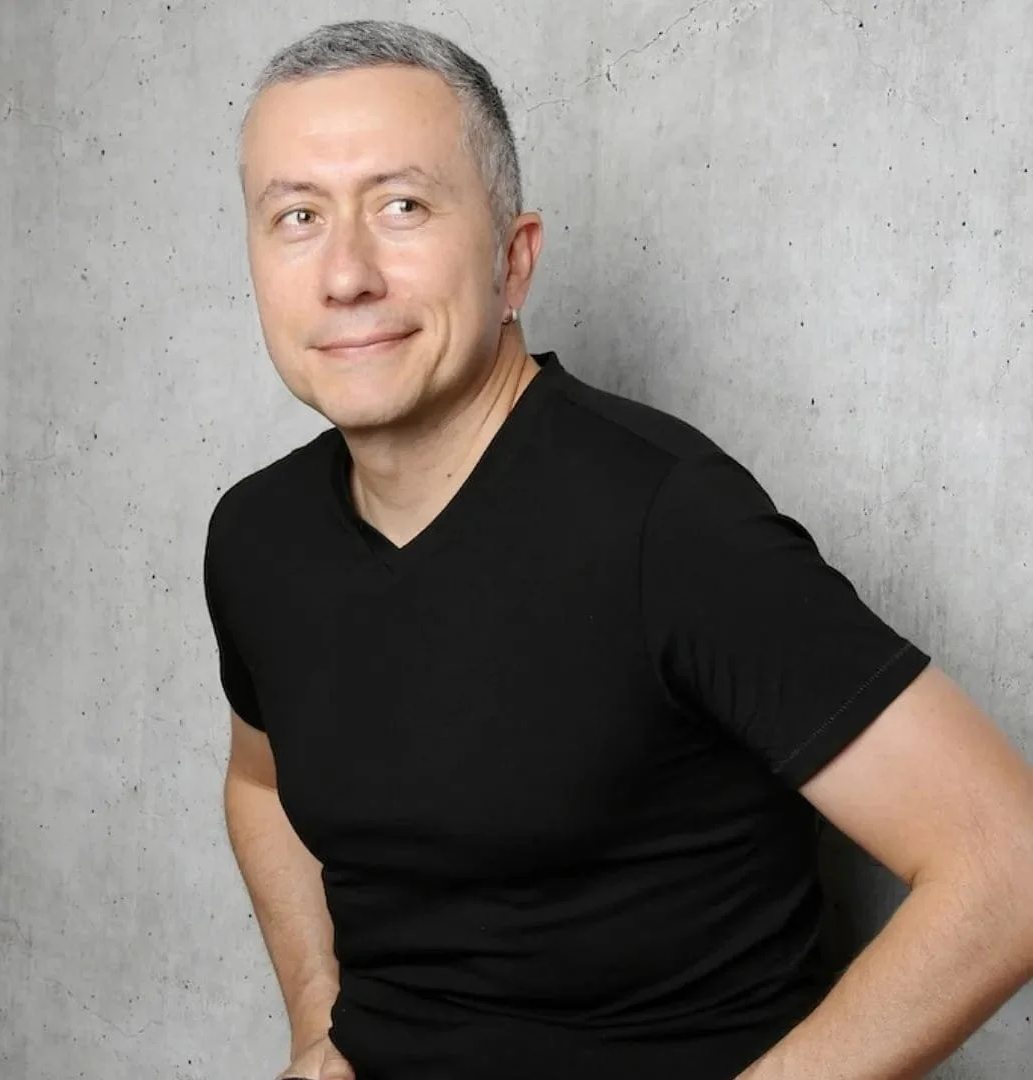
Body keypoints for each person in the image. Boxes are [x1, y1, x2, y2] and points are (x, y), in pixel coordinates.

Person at [202, 19, 1033, 1080]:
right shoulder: (258, 537)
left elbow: (1007, 867)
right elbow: (261, 785)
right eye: (298, 217)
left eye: (401, 205)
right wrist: (319, 1020)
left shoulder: (666, 524)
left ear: (513, 259)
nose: (345, 273)